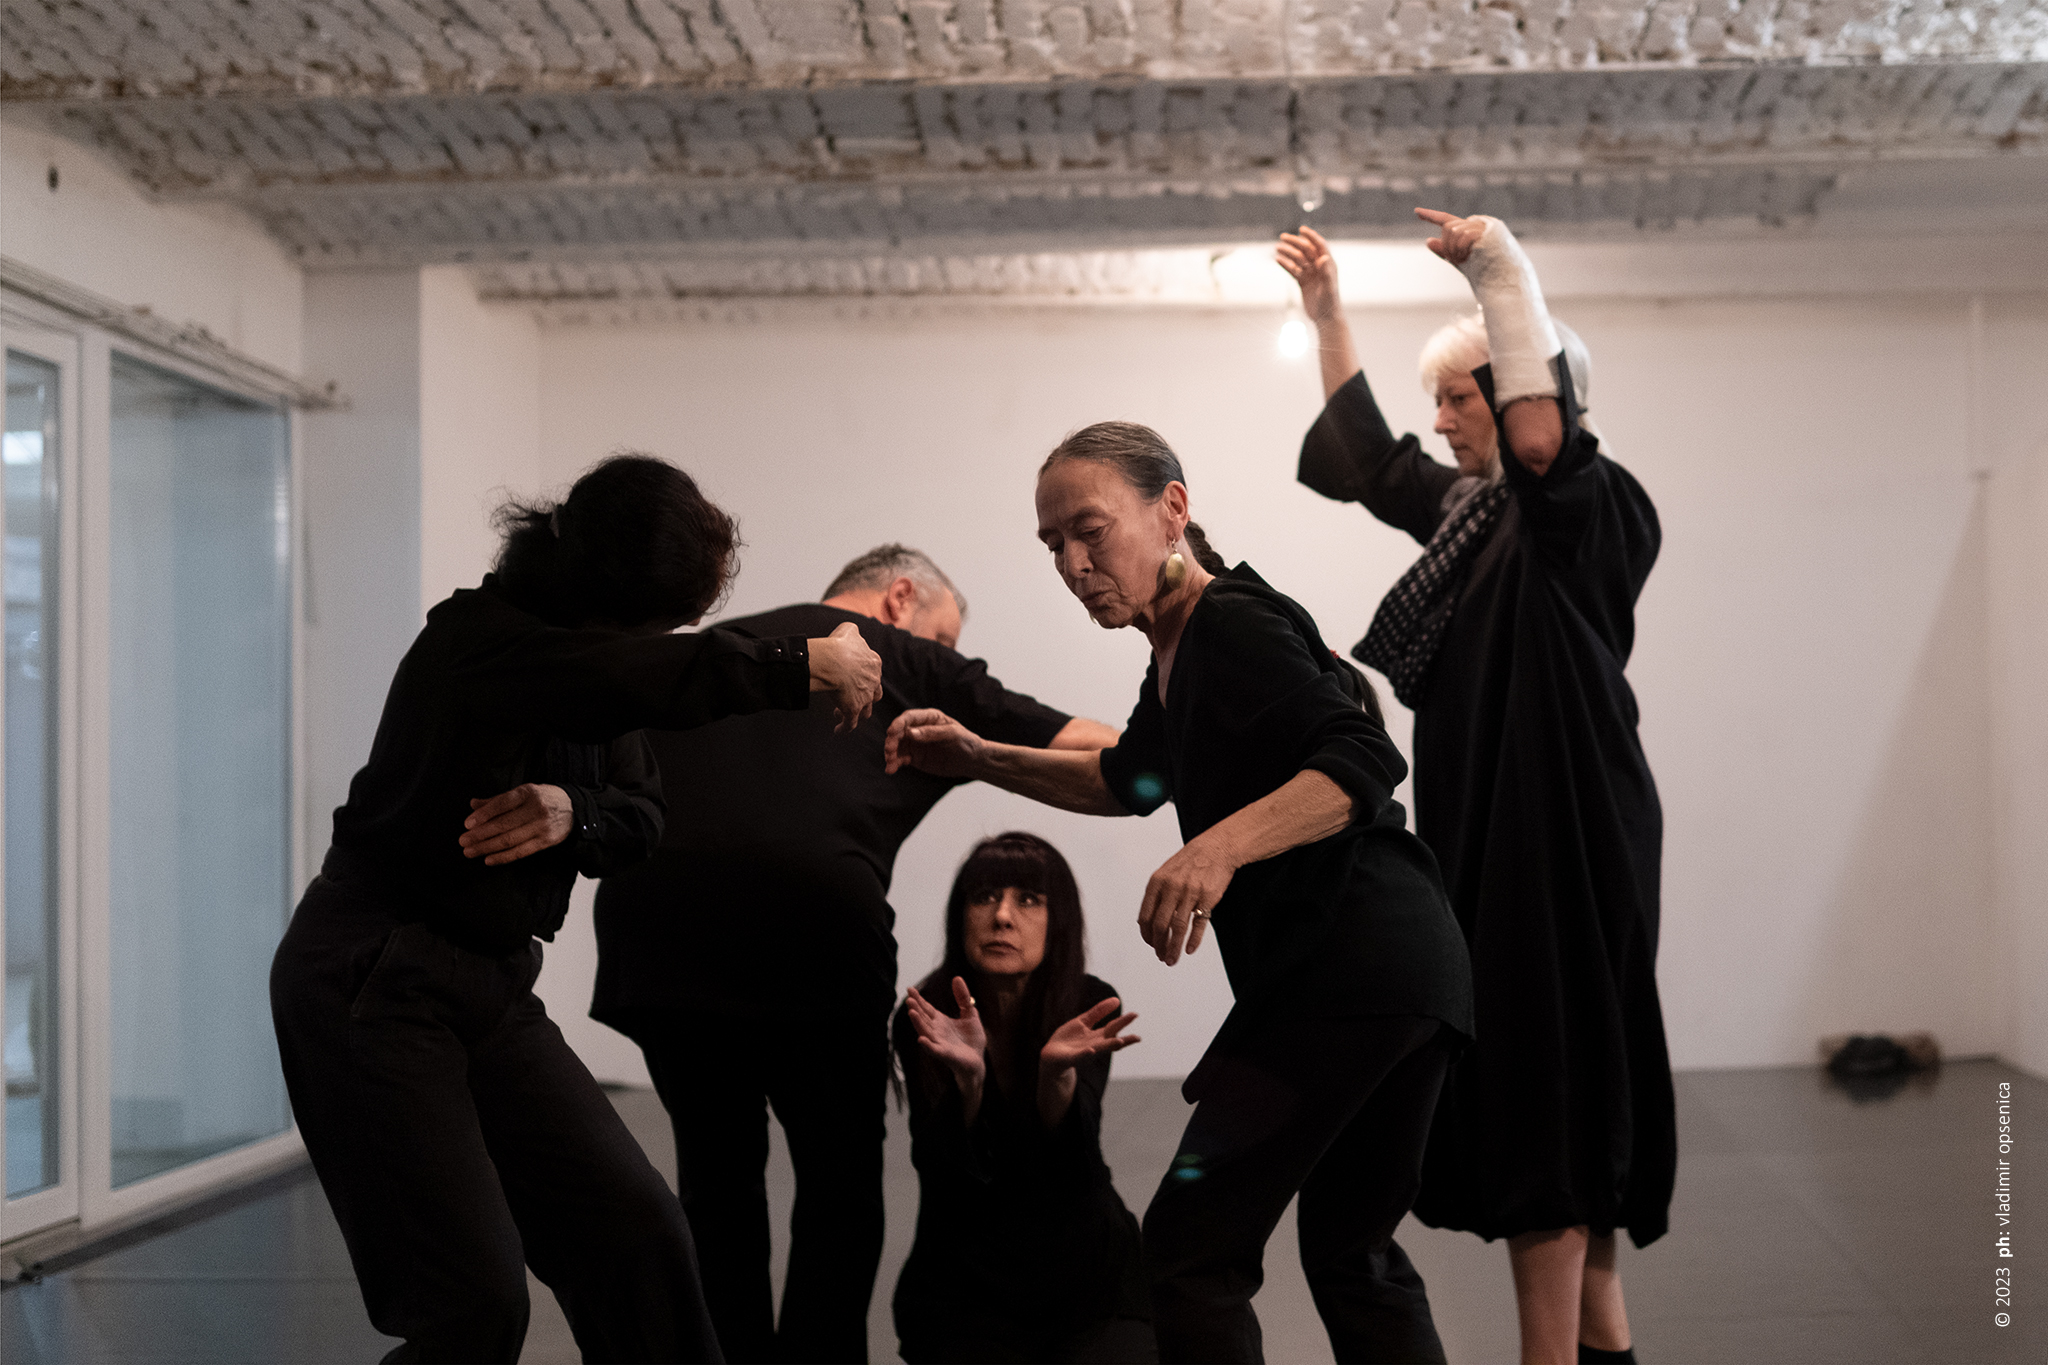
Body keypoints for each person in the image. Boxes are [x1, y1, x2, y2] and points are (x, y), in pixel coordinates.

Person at [270, 454, 884, 1364]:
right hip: (373, 981)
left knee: (641, 1239)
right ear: (603, 602)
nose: (651, 645)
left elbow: (643, 813)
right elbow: (625, 678)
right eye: (649, 628)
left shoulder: (595, 675)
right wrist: (801, 661)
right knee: (473, 1305)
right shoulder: (475, 644)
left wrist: (574, 810)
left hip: (489, 987)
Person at [883, 427, 1475, 1365]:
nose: (1073, 565)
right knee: (1353, 1252)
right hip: (1411, 973)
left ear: (1172, 510)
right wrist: (979, 756)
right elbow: (1130, 780)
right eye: (1052, 546)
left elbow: (1363, 758)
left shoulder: (1229, 621)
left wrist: (1216, 849)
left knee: (1192, 1254)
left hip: (1346, 967)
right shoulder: (1175, 648)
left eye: (1090, 531)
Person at [1278, 214, 1673, 1365]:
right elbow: (1363, 461)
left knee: (1546, 1083)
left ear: (1519, 397)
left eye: (1459, 399)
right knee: (1554, 1080)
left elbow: (1545, 448)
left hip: (1561, 837)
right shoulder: (1470, 518)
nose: (1440, 421)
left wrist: (1500, 275)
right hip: (1493, 831)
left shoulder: (1582, 512)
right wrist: (1326, 314)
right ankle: (1597, 1341)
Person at [589, 544, 1119, 1364]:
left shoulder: (719, 652)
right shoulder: (906, 657)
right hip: (814, 932)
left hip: (657, 938)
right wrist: (985, 754)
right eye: (945, 635)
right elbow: (1109, 751)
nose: (946, 652)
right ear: (899, 599)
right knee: (838, 1190)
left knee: (717, 1189)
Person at [891, 832, 1154, 1364]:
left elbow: (1074, 1172)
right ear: (960, 916)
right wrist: (969, 1083)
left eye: (1028, 899)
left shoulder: (1086, 1001)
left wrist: (1054, 1076)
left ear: (1059, 921)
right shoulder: (928, 1013)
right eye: (984, 897)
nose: (1002, 917)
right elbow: (944, 1178)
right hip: (964, 1282)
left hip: (1089, 1277)